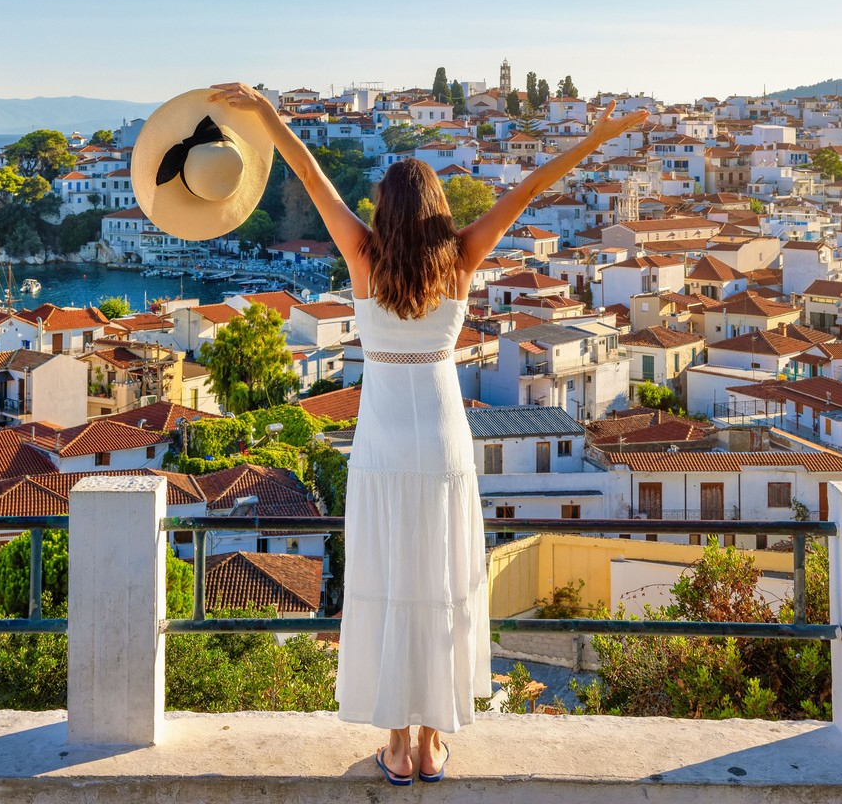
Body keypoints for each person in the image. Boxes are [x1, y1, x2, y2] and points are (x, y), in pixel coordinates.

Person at [208, 83, 647, 784]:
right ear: (439, 207)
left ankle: (396, 741)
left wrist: (265, 112)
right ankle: (431, 740)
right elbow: (532, 186)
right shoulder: (463, 256)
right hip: (442, 435)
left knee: (390, 578)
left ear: (385, 206)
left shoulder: (362, 254)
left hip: (382, 439)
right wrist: (600, 137)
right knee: (438, 578)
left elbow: (310, 173)